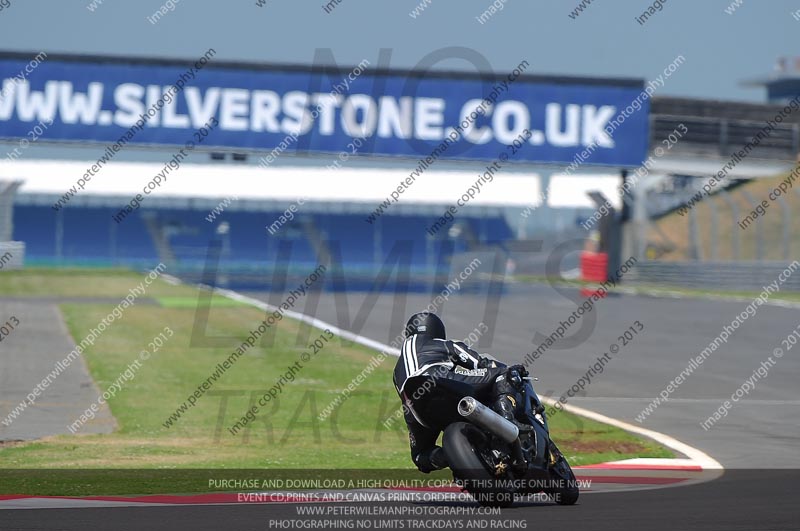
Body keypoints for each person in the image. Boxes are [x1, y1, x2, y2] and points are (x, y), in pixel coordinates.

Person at [392, 312, 529, 474]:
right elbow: (482, 364)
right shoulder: (443, 344)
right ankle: (509, 420)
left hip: (416, 408)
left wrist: (453, 454)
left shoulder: (396, 371)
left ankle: (449, 456)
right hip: (439, 381)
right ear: (436, 330)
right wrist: (510, 370)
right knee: (503, 374)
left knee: (420, 456)